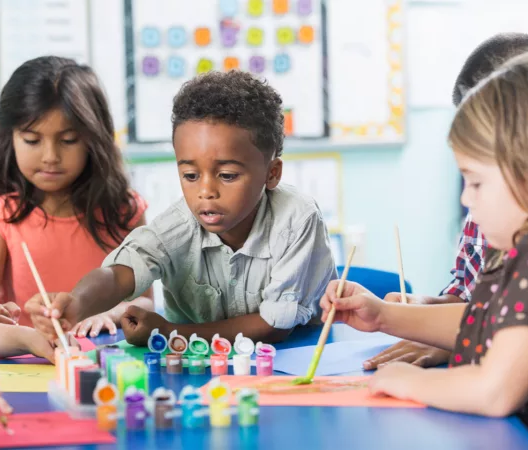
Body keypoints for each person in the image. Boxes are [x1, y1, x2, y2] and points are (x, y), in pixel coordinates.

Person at [25, 70, 338, 345]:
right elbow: (119, 274)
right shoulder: (177, 226)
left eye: (227, 175)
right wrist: (76, 303)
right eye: (190, 175)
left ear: (272, 174)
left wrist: (172, 333)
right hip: (202, 375)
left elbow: (274, 327)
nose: (205, 191)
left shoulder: (298, 219)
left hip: (299, 367)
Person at [321, 51, 528, 434]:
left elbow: (494, 391)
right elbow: (482, 324)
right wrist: (384, 316)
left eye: (476, 183)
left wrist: (408, 381)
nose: (465, 200)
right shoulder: (514, 252)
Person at [363, 33, 528, 370]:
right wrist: (419, 308)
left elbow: (496, 376)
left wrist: (457, 344)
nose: (467, 197)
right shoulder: (486, 209)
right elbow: (472, 298)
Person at [0, 56, 153, 335]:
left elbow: (145, 302)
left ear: (93, 138)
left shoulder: (125, 210)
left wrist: (111, 313)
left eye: (68, 141)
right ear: (9, 137)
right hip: (25, 365)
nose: (50, 157)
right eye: (32, 140)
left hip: (104, 358)